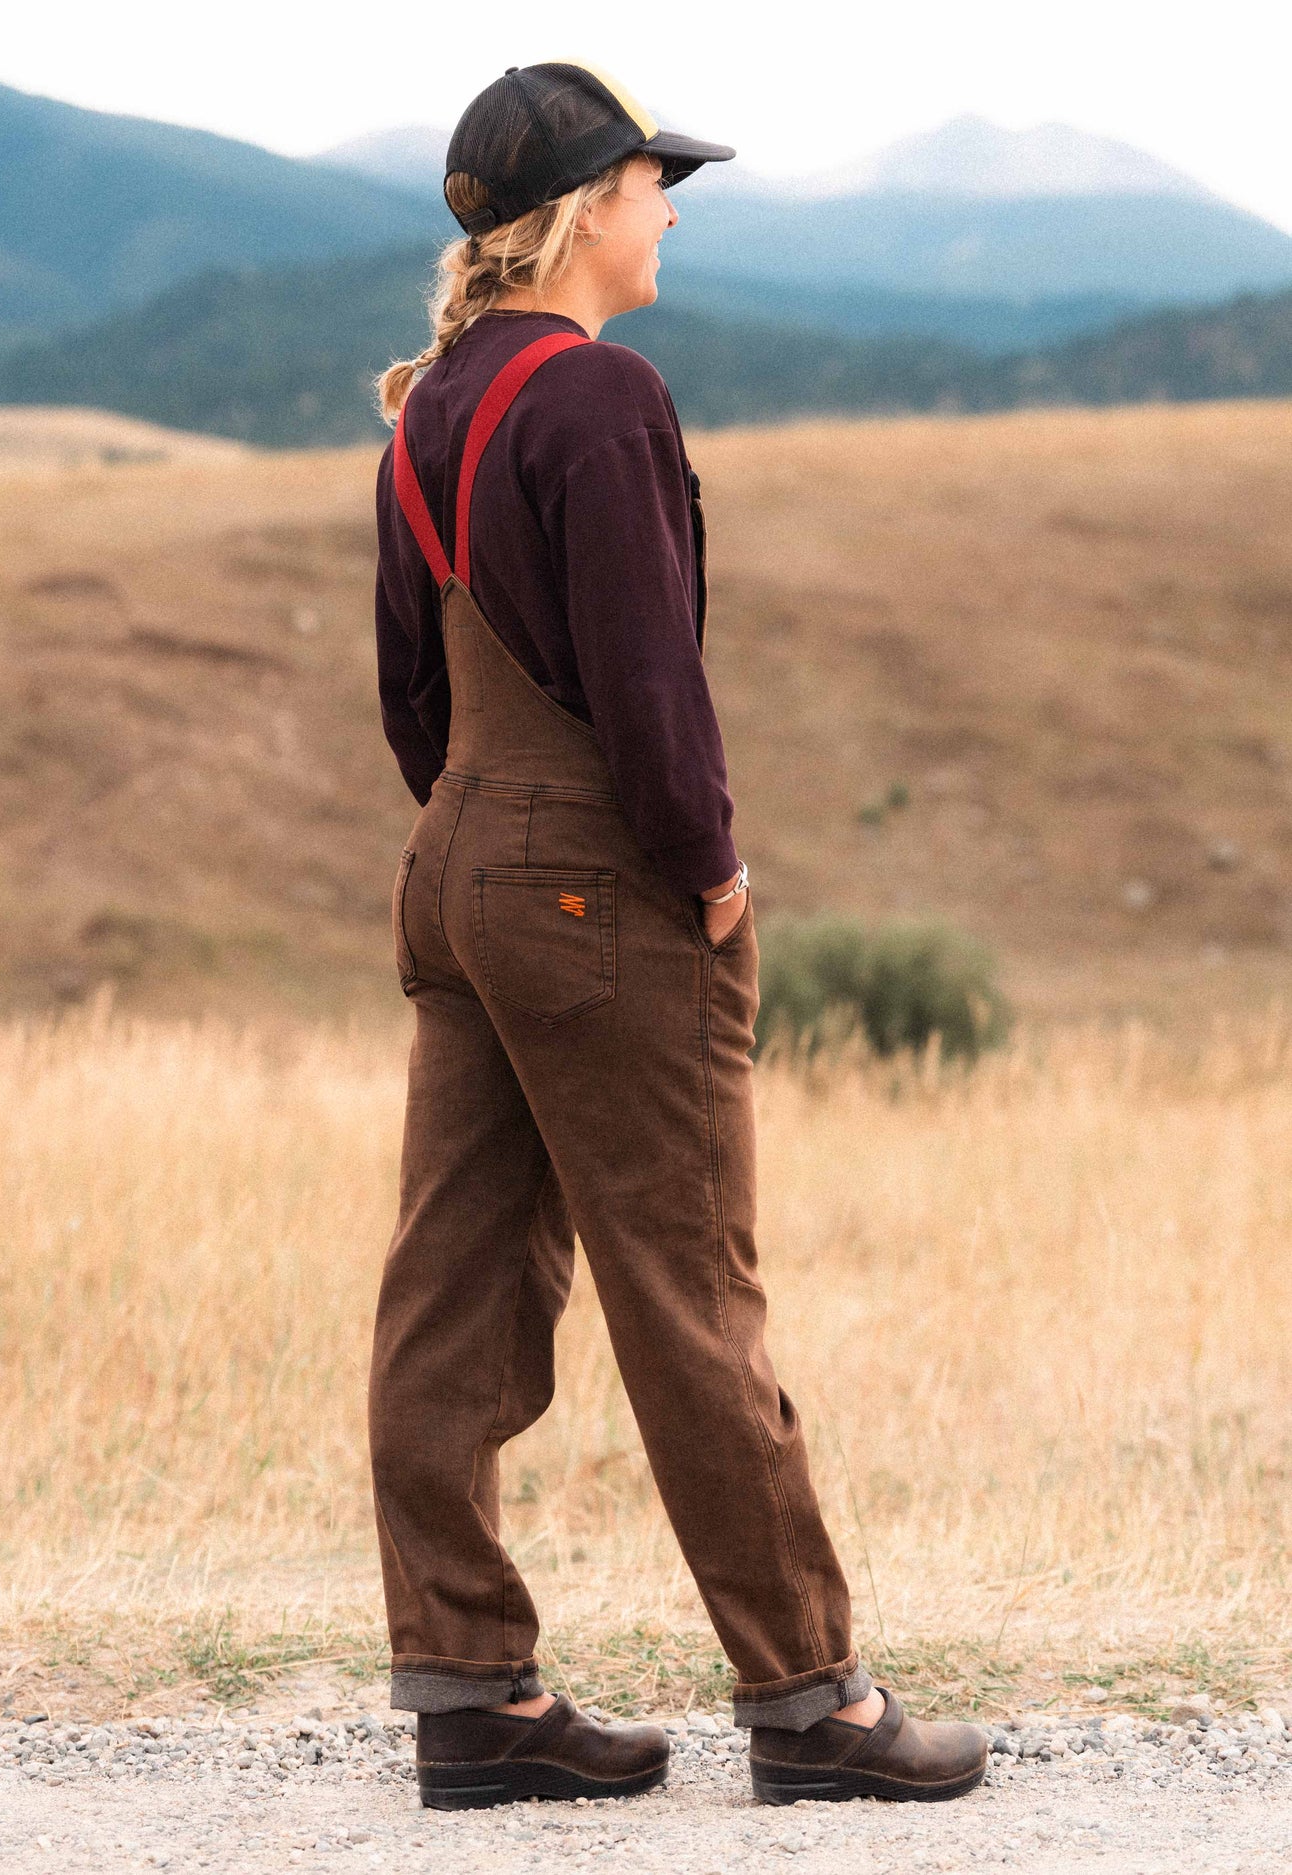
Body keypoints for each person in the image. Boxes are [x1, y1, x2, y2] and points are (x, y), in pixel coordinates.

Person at [367, 59, 988, 1811]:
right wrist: (704, 864)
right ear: (579, 216)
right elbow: (652, 678)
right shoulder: (602, 398)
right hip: (594, 888)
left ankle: (469, 1697)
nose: (670, 206)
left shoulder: (426, 412)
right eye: (651, 181)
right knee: (689, 1287)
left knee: (451, 1289)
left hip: (460, 872)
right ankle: (811, 1706)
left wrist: (487, 840)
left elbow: (416, 699)